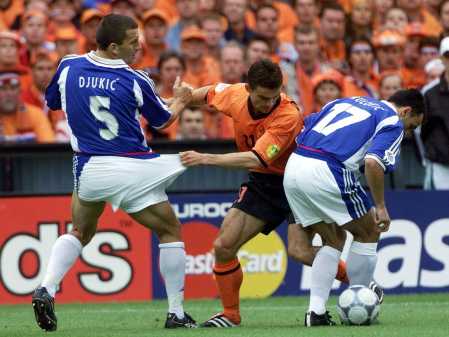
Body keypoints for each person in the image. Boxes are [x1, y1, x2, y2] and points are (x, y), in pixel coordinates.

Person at [31, 14, 197, 331]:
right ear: (112, 46)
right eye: (133, 43)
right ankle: (176, 313)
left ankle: (47, 288)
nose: (139, 47)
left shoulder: (68, 66)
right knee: (170, 231)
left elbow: (52, 102)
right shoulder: (134, 80)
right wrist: (181, 99)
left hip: (89, 168)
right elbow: (163, 121)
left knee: (80, 231)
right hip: (131, 167)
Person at [179, 59, 348, 328]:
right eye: (261, 98)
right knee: (223, 246)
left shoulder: (287, 115)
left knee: (300, 251)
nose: (268, 104)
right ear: (248, 88)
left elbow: (257, 158)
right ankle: (231, 315)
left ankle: (359, 283)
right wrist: (179, 100)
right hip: (265, 184)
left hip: (298, 180)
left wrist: (206, 158)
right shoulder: (235, 95)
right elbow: (207, 94)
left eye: (273, 97)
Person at [283, 89, 425, 326]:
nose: (408, 133)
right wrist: (380, 206)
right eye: (412, 126)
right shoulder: (392, 120)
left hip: (295, 166)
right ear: (406, 111)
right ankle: (359, 298)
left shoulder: (344, 101)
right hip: (327, 170)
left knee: (334, 238)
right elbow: (372, 162)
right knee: (370, 230)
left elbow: (305, 124)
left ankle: (315, 313)